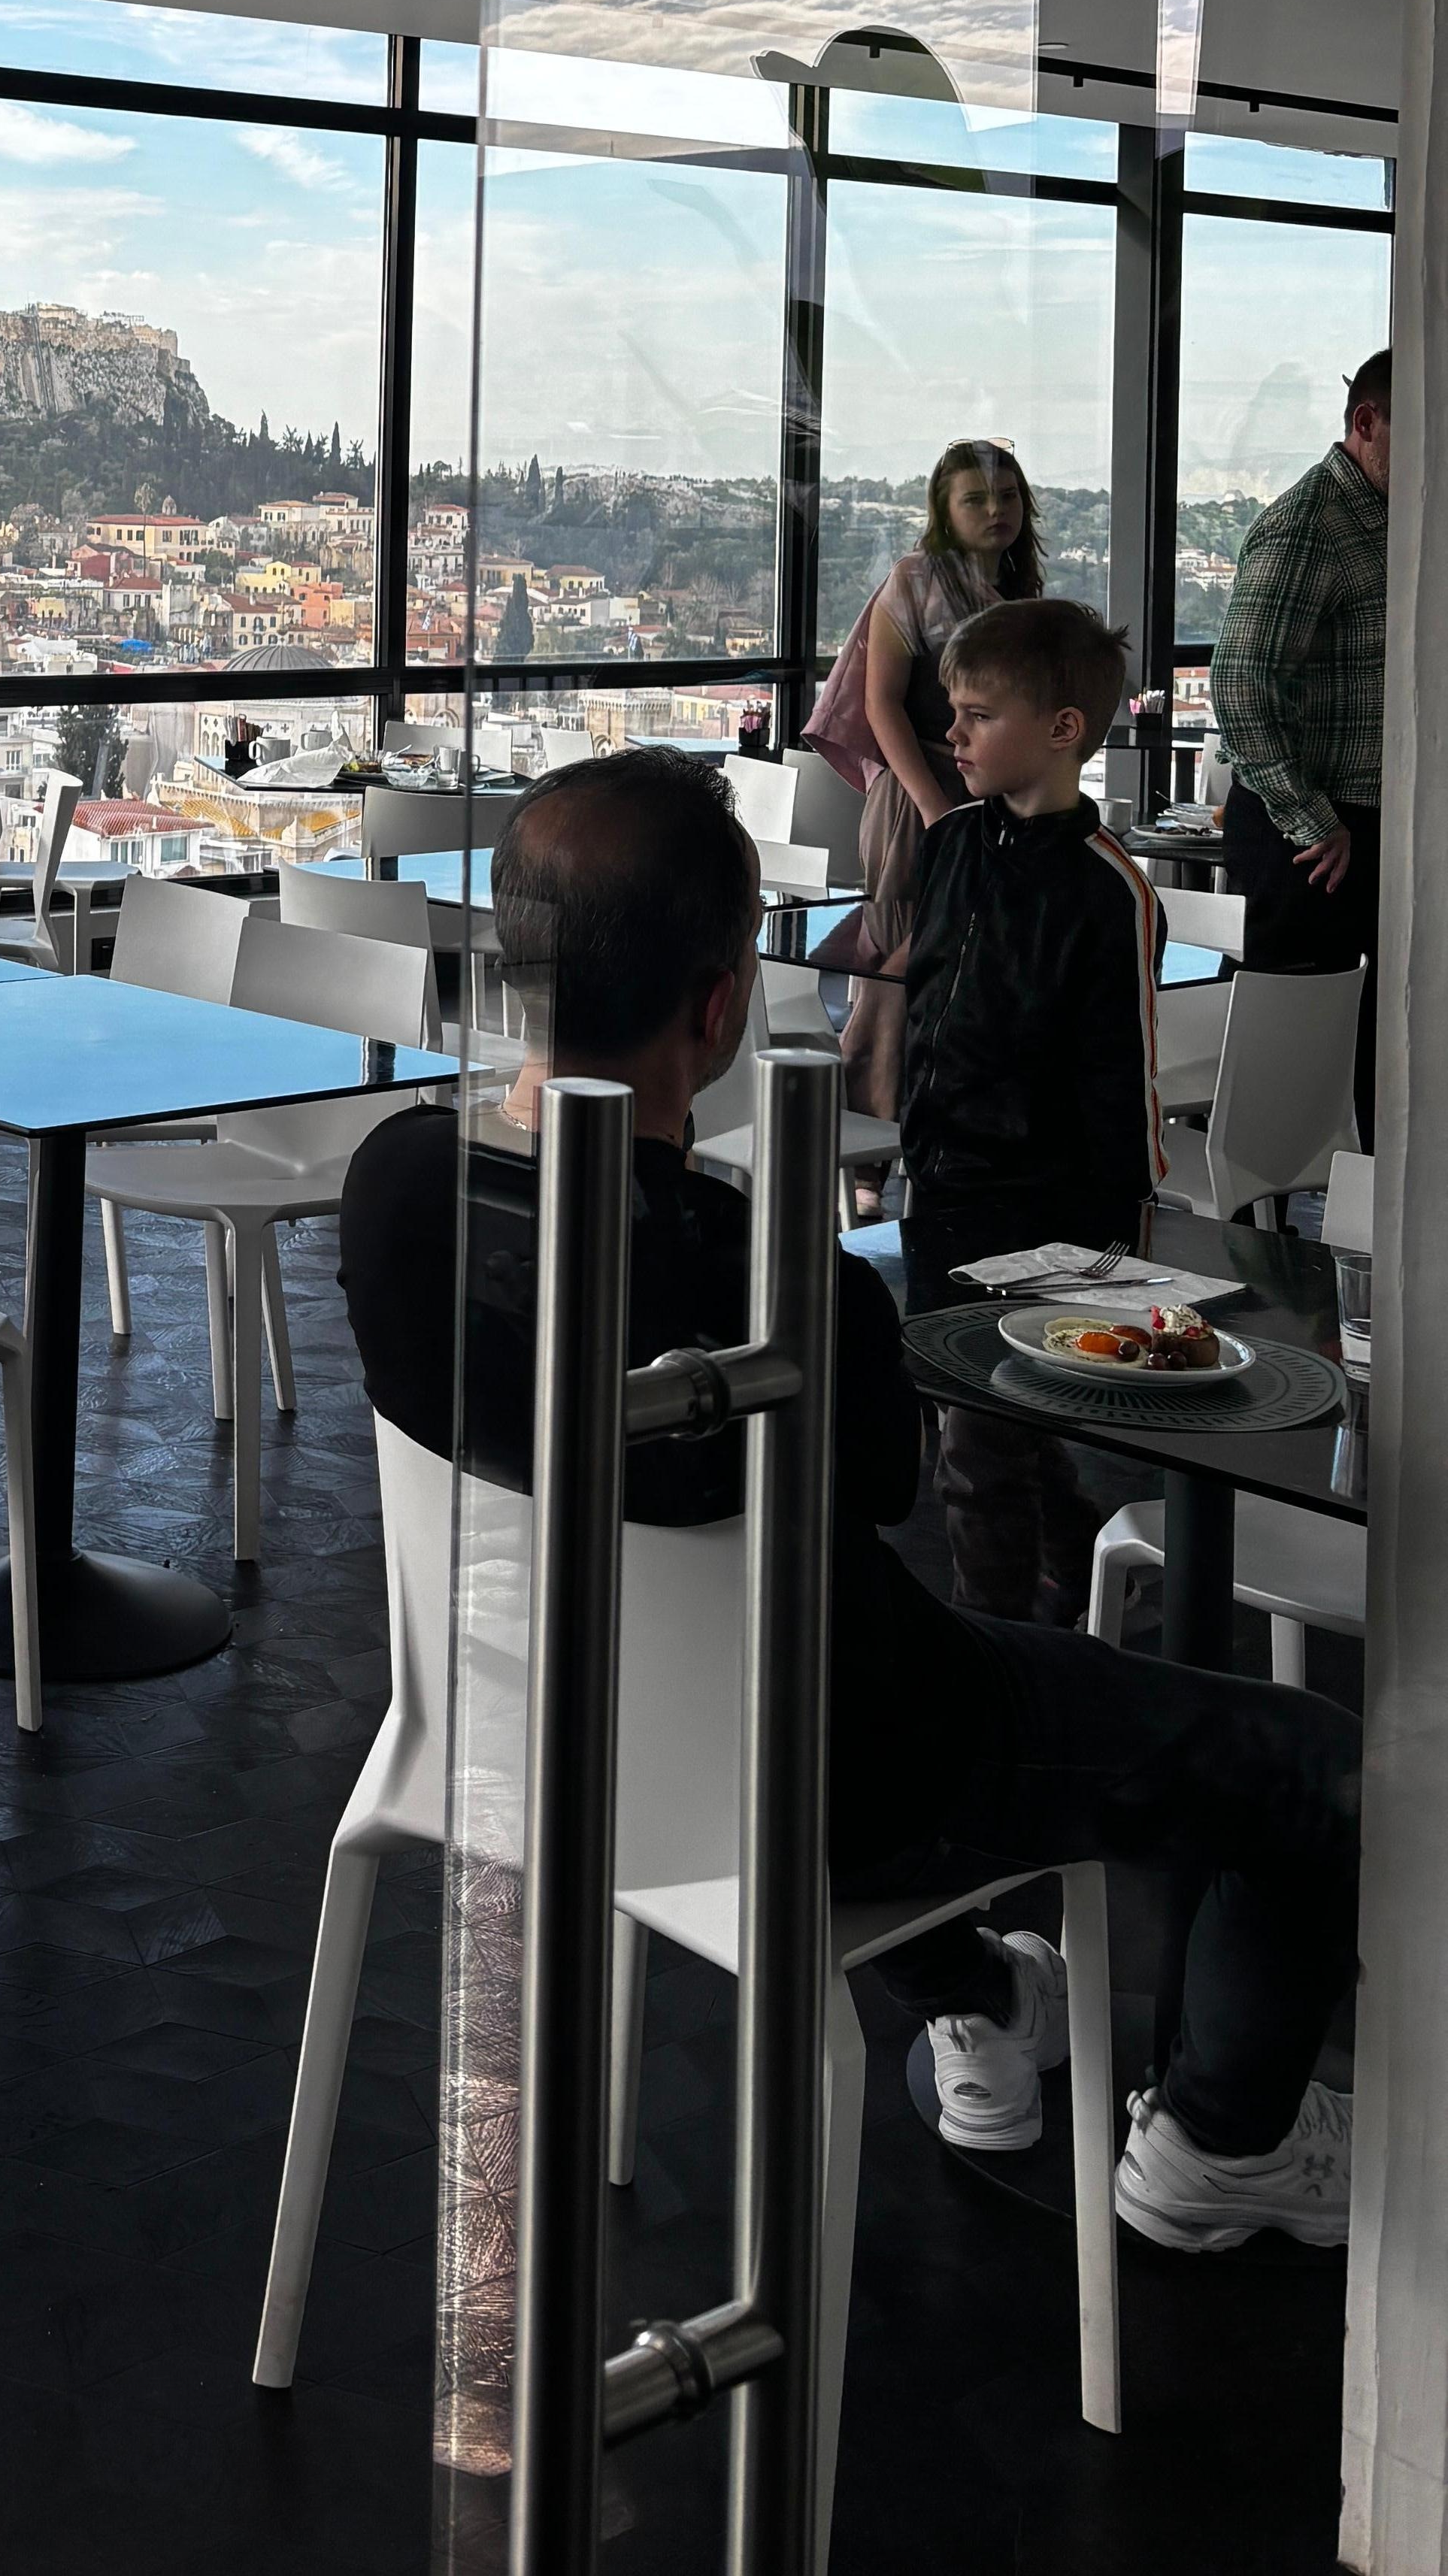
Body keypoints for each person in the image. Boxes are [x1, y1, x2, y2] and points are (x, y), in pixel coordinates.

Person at [339, 749, 1356, 2248]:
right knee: (1314, 1765)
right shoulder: (777, 1280)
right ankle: (1219, 2142)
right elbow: (882, 1487)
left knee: (805, 1695)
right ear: (719, 1006)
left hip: (526, 1732)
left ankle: (985, 1997)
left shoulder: (394, 1184)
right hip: (836, 1777)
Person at [895, 595, 1162, 1627]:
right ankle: (1085, 1567)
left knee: (976, 1447)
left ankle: (993, 1646)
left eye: (977, 716)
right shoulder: (950, 844)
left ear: (1062, 729)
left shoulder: (1110, 891)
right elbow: (929, 995)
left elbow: (1122, 1074)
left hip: (1039, 1206)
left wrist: (1114, 1235)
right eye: (953, 711)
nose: (952, 733)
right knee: (988, 1415)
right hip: (940, 1181)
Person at [1211, 347, 1389, 1146]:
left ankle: (1377, 1206)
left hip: (1365, 826)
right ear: (1366, 423)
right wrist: (1313, 819)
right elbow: (1240, 688)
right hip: (1314, 835)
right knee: (1289, 1075)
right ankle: (1261, 1221)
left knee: (1382, 1049)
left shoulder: (1397, 519)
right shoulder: (1311, 523)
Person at [836, 440, 1044, 1119]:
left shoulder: (1020, 592)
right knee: (902, 964)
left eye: (1007, 497)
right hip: (916, 794)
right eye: (975, 499)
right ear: (944, 510)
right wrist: (932, 808)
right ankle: (873, 1132)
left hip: (992, 798)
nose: (995, 511)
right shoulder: (914, 580)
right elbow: (881, 704)